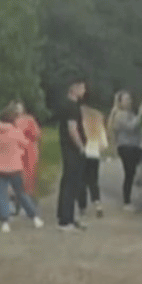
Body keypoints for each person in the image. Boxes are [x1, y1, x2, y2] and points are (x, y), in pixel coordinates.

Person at [0, 106, 45, 232]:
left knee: (1, 195)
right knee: (21, 193)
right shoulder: (15, 132)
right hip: (15, 167)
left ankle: (5, 223)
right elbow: (26, 144)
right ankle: (34, 218)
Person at [56, 78, 89, 231]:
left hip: (67, 148)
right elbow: (72, 128)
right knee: (71, 183)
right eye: (82, 88)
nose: (84, 91)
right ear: (74, 88)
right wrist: (81, 147)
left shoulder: (65, 105)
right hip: (72, 150)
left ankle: (66, 215)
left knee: (68, 182)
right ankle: (65, 219)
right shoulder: (72, 107)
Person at [108, 91, 142, 212]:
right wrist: (140, 117)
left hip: (133, 145)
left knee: (133, 172)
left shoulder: (129, 113)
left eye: (130, 98)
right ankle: (126, 201)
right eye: (126, 99)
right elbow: (130, 127)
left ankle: (134, 194)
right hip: (126, 146)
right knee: (129, 173)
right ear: (120, 102)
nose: (129, 101)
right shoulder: (119, 115)